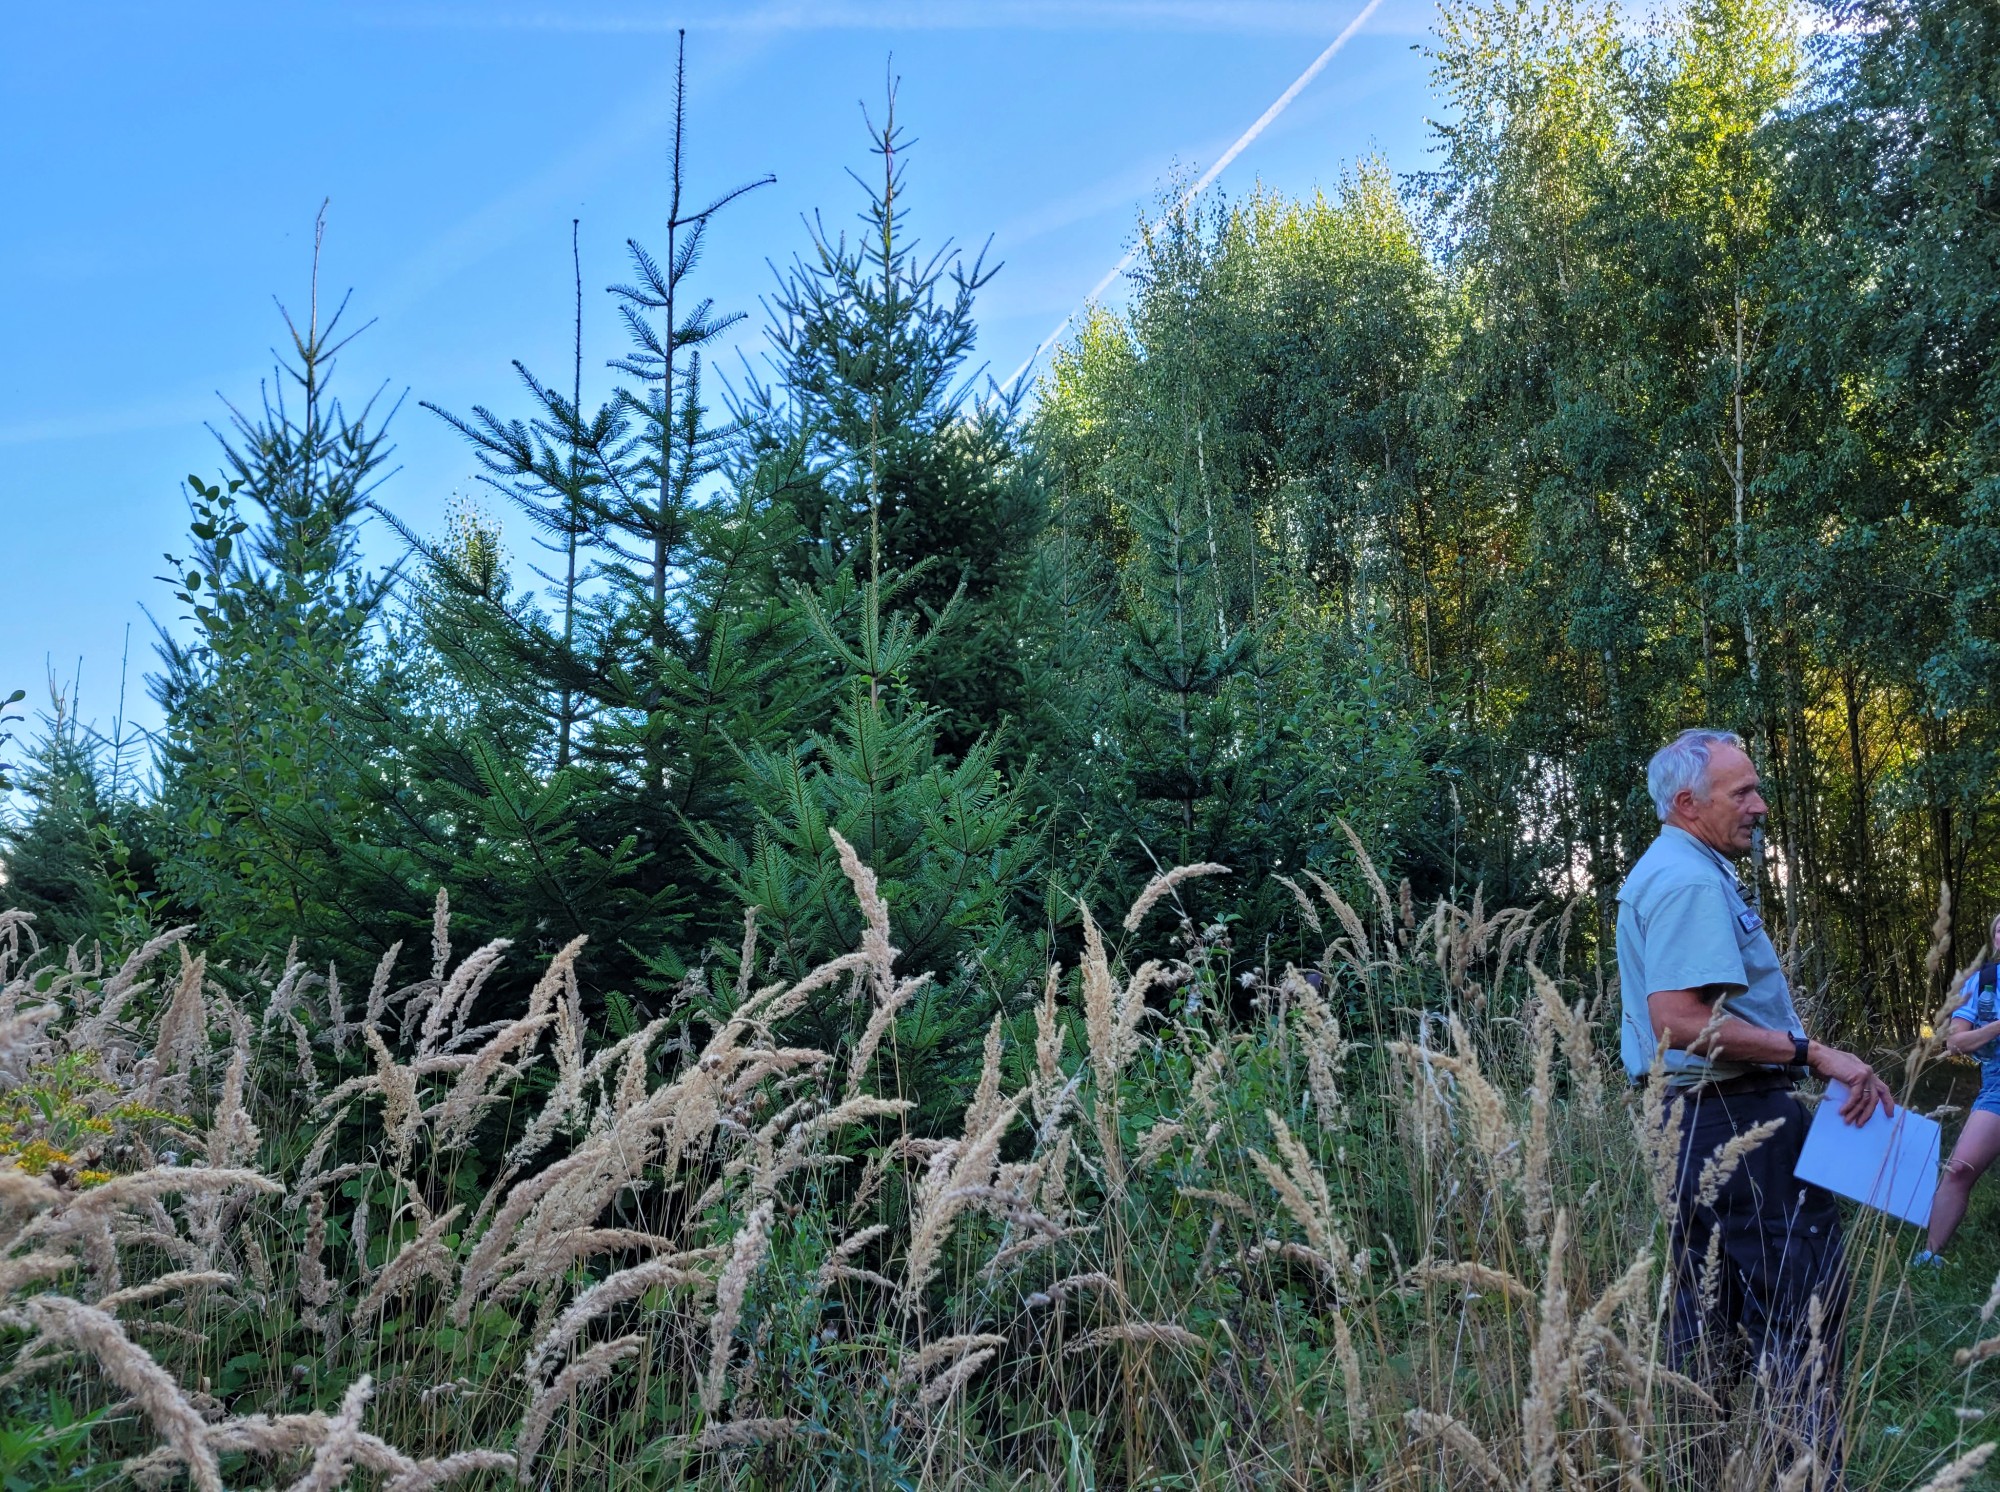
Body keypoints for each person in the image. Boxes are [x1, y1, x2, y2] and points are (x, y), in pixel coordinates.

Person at [1618, 728, 1893, 1478]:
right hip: (1735, 1122)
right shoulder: (1689, 881)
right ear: (1686, 803)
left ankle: (1697, 1472)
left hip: (1697, 1125)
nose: (1760, 806)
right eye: (1742, 792)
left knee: (1709, 1330)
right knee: (1800, 1314)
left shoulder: (1675, 868)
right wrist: (1813, 1054)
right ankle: (1802, 1476)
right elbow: (1677, 1020)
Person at [1919, 912, 2000, 1261]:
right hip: (1997, 1086)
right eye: (1999, 932)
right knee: (1959, 1169)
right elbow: (1956, 1042)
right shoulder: (1983, 982)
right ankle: (1929, 1258)